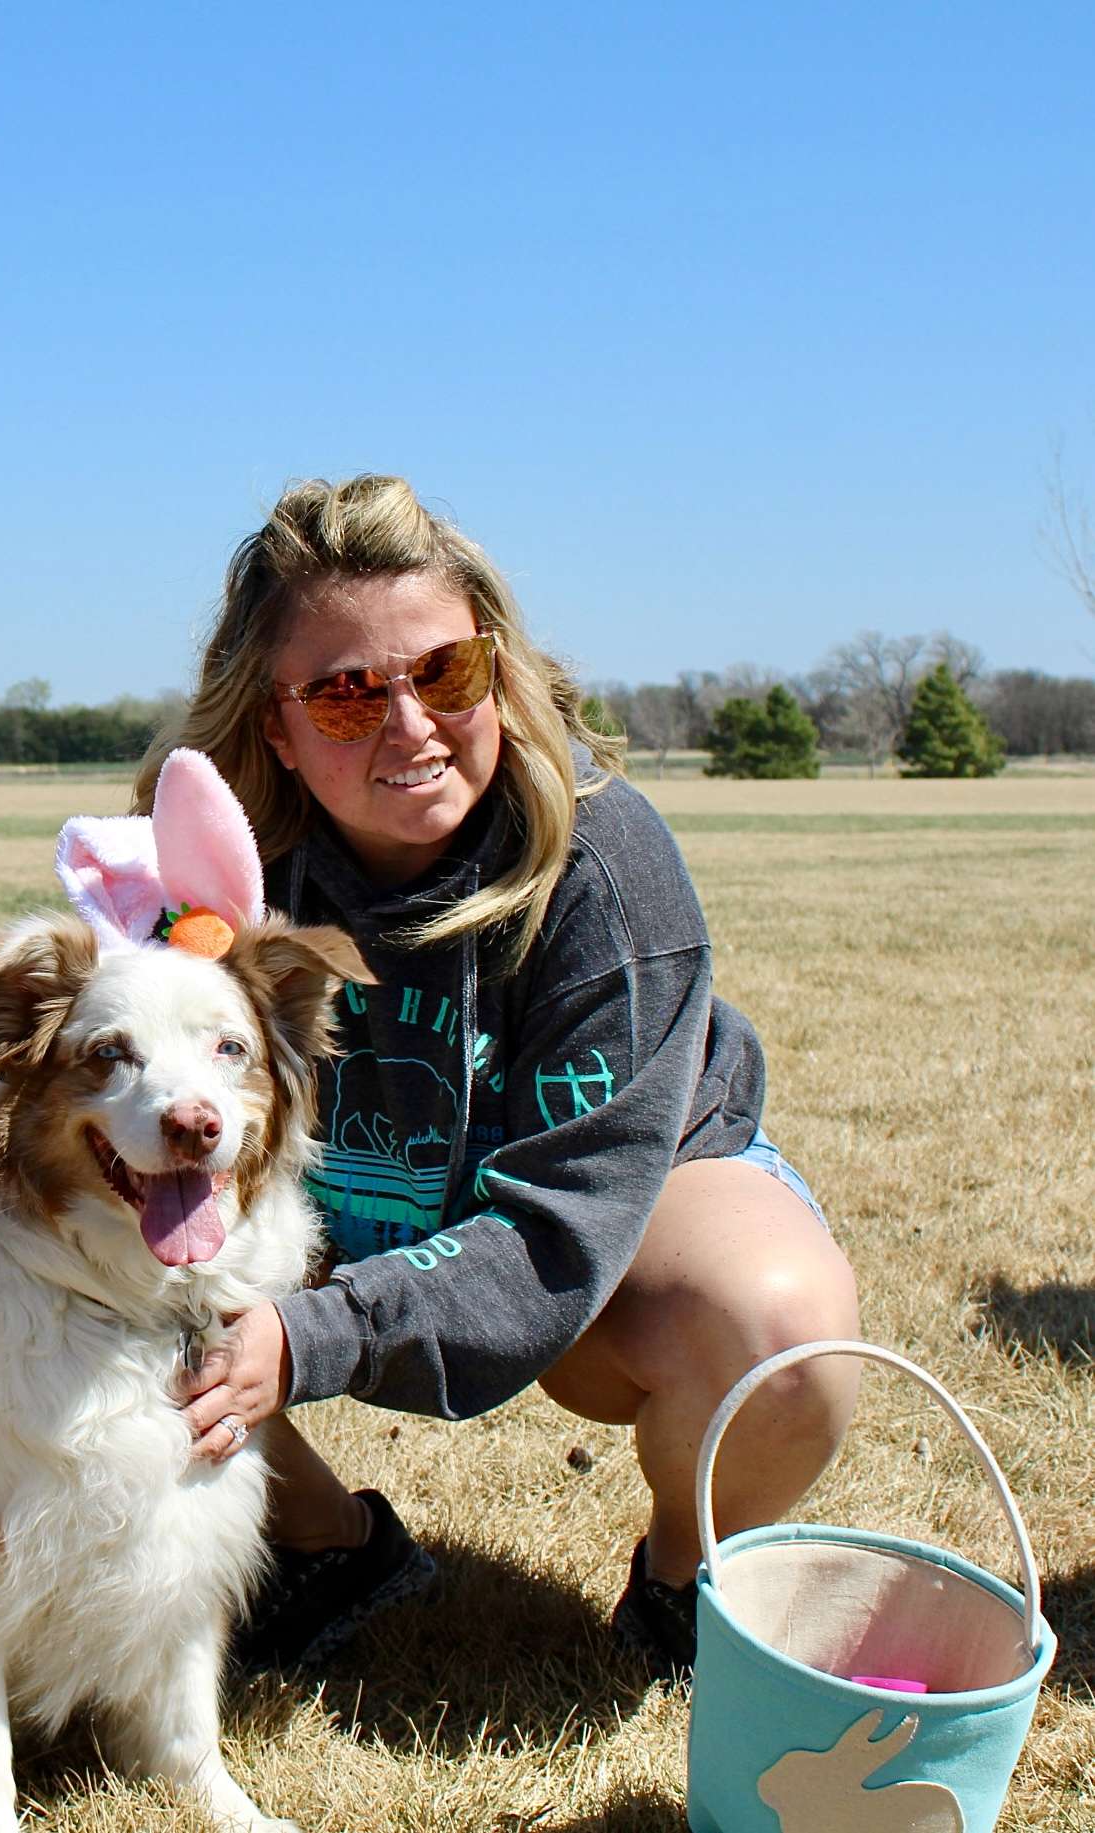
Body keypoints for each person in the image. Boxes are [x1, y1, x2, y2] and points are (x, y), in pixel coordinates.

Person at [154, 475, 860, 1679]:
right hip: (346, 1210)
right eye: (341, 694)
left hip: (607, 1234)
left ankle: (686, 1580)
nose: (408, 725)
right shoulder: (211, 873)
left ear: (496, 667)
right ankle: (324, 1547)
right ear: (270, 726)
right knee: (86, 1267)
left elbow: (560, 1226)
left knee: (777, 1333)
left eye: (443, 672)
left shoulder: (604, 864)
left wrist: (316, 1336)